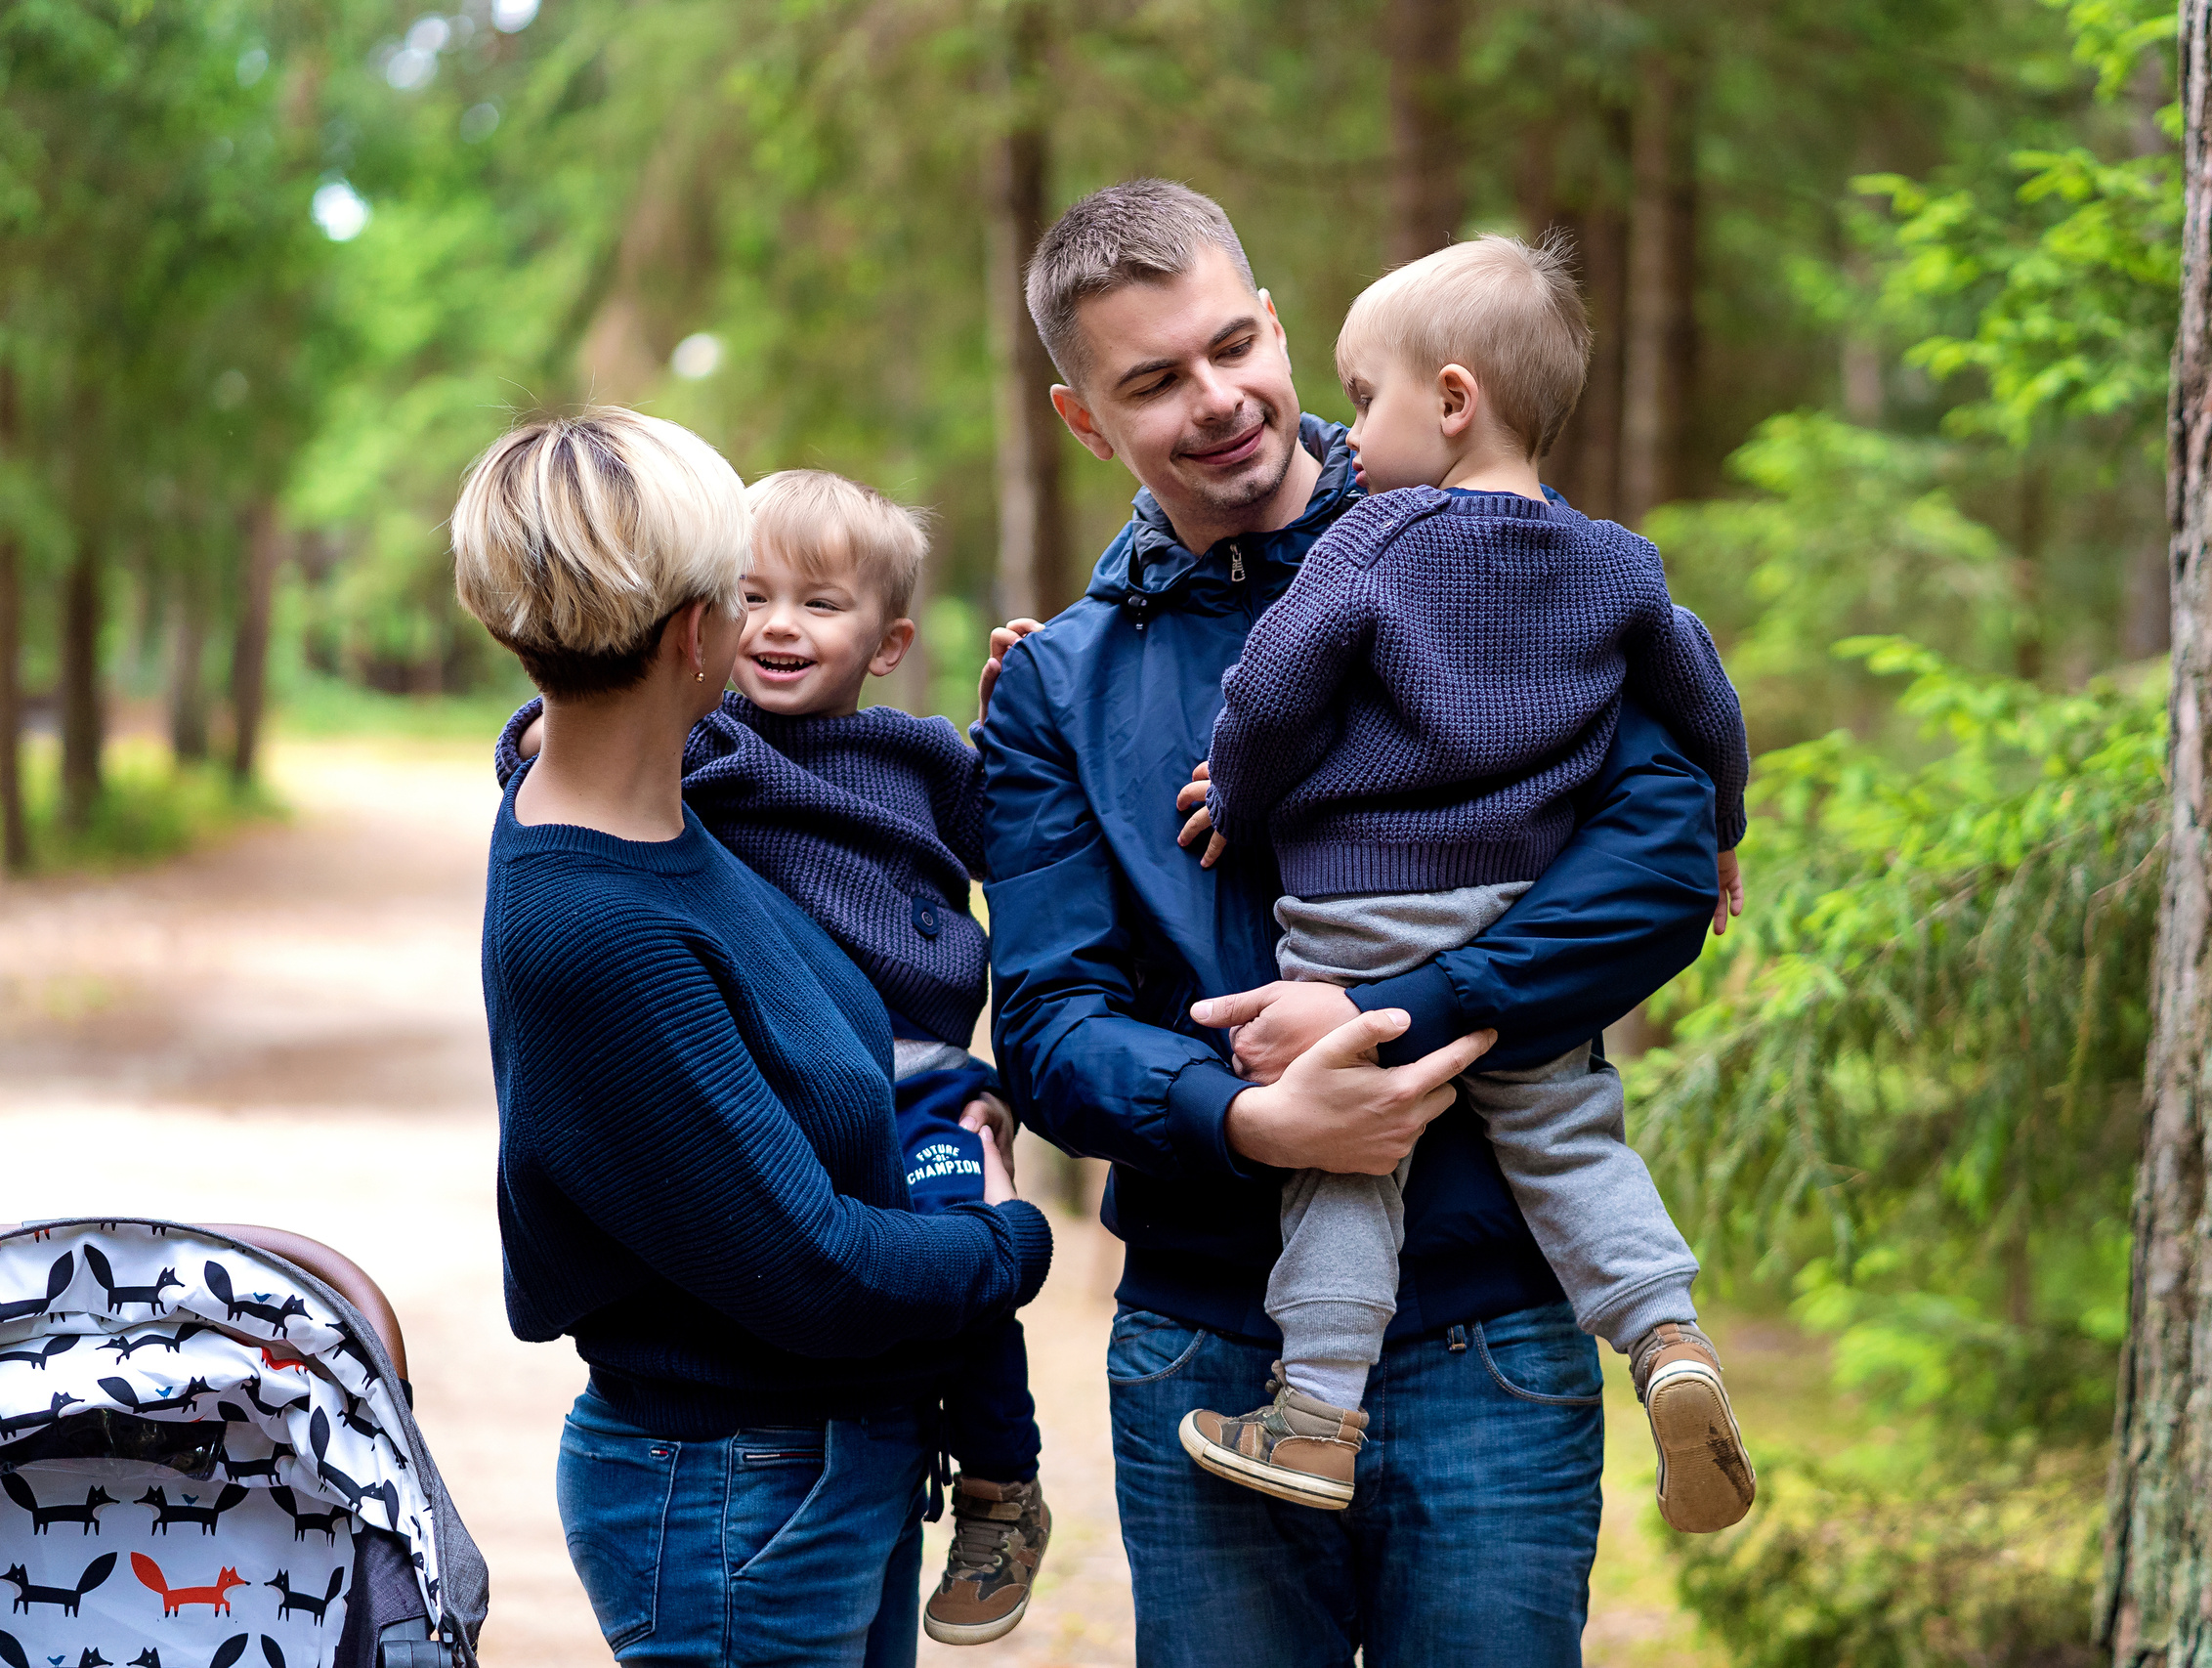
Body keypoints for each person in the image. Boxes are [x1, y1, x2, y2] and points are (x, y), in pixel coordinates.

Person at [977, 179, 1726, 1665]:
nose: (1220, 401)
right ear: (1084, 420)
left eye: (1233, 344)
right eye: (1154, 382)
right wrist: (1256, 1123)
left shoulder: (1509, 561)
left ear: (1274, 320)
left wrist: (1411, 1015)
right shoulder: (1058, 688)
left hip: (1493, 1341)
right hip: (1207, 1340)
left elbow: (1663, 860)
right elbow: (1053, 1036)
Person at [453, 408, 1052, 1668]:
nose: (768, 622)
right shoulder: (602, 924)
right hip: (737, 1494)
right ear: (693, 637)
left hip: (820, 1461)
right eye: (741, 593)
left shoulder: (666, 810)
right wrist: (1011, 1238)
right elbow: (815, 1268)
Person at [1181, 234, 1756, 1533]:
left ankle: (1316, 1413)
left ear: (1451, 400)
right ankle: (1668, 1340)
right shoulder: (1617, 563)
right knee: (1568, 1132)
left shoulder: (1375, 535)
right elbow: (1701, 696)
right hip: (1520, 920)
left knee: (1342, 1162)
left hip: (1358, 917)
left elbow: (1275, 689)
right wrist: (1722, 823)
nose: (1349, 432)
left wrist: (1238, 791)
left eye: (1364, 396)